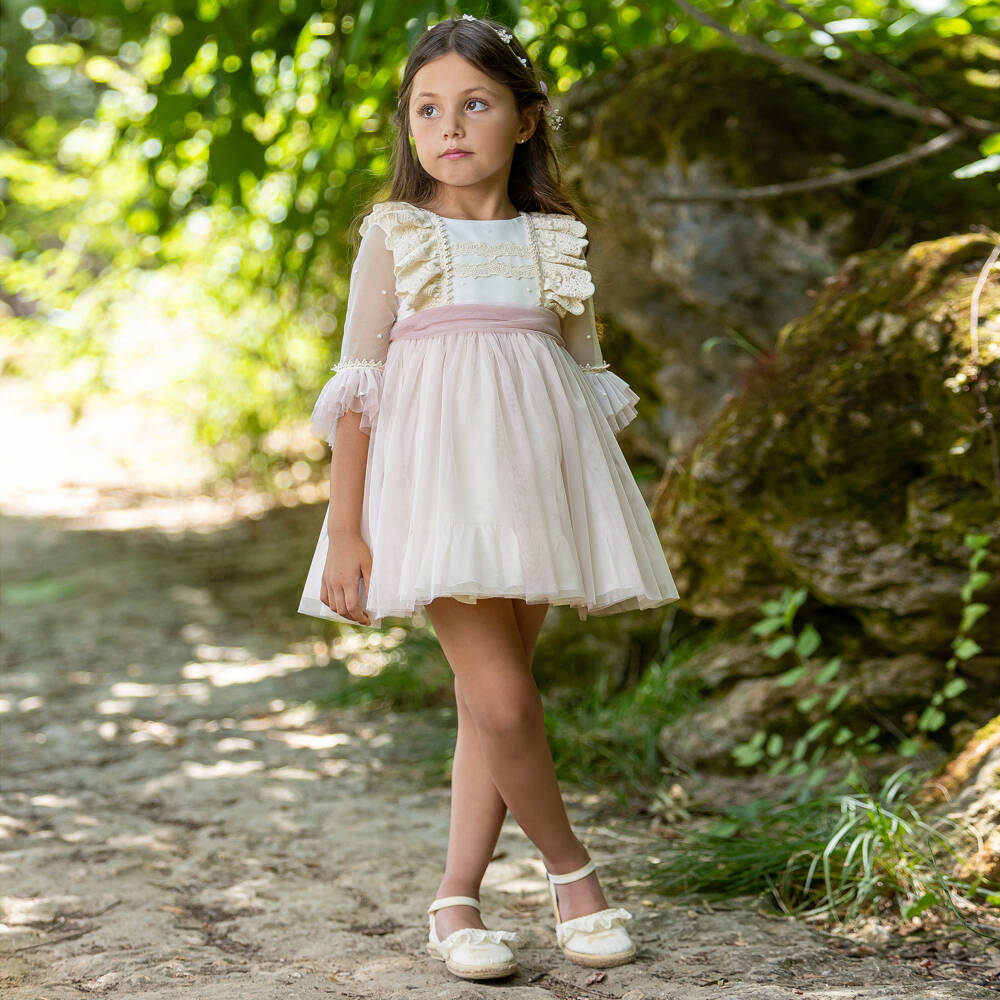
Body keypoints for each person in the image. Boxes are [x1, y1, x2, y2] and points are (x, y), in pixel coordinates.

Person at [298, 13, 680, 982]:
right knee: (506, 702)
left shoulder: (554, 241)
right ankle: (573, 874)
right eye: (428, 108)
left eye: (475, 103)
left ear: (524, 118)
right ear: (409, 127)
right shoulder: (396, 236)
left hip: (536, 487)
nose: (450, 125)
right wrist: (346, 526)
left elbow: (585, 379)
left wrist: (588, 503)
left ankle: (453, 898)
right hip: (436, 494)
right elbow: (359, 391)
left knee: (489, 706)